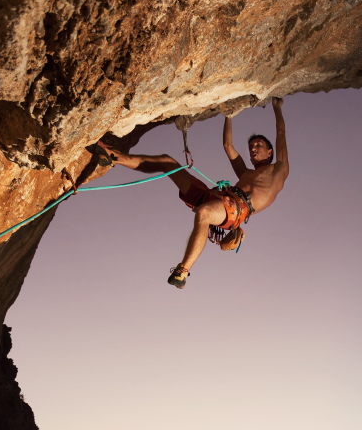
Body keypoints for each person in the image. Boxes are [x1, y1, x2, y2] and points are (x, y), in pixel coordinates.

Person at [93, 98, 289, 289]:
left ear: (270, 152)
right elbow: (228, 146)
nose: (253, 148)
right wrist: (229, 115)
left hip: (235, 210)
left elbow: (280, 132)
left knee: (203, 213)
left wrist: (277, 107)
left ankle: (182, 272)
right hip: (218, 197)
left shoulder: (279, 170)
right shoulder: (246, 173)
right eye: (251, 146)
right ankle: (114, 157)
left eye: (258, 145)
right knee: (166, 161)